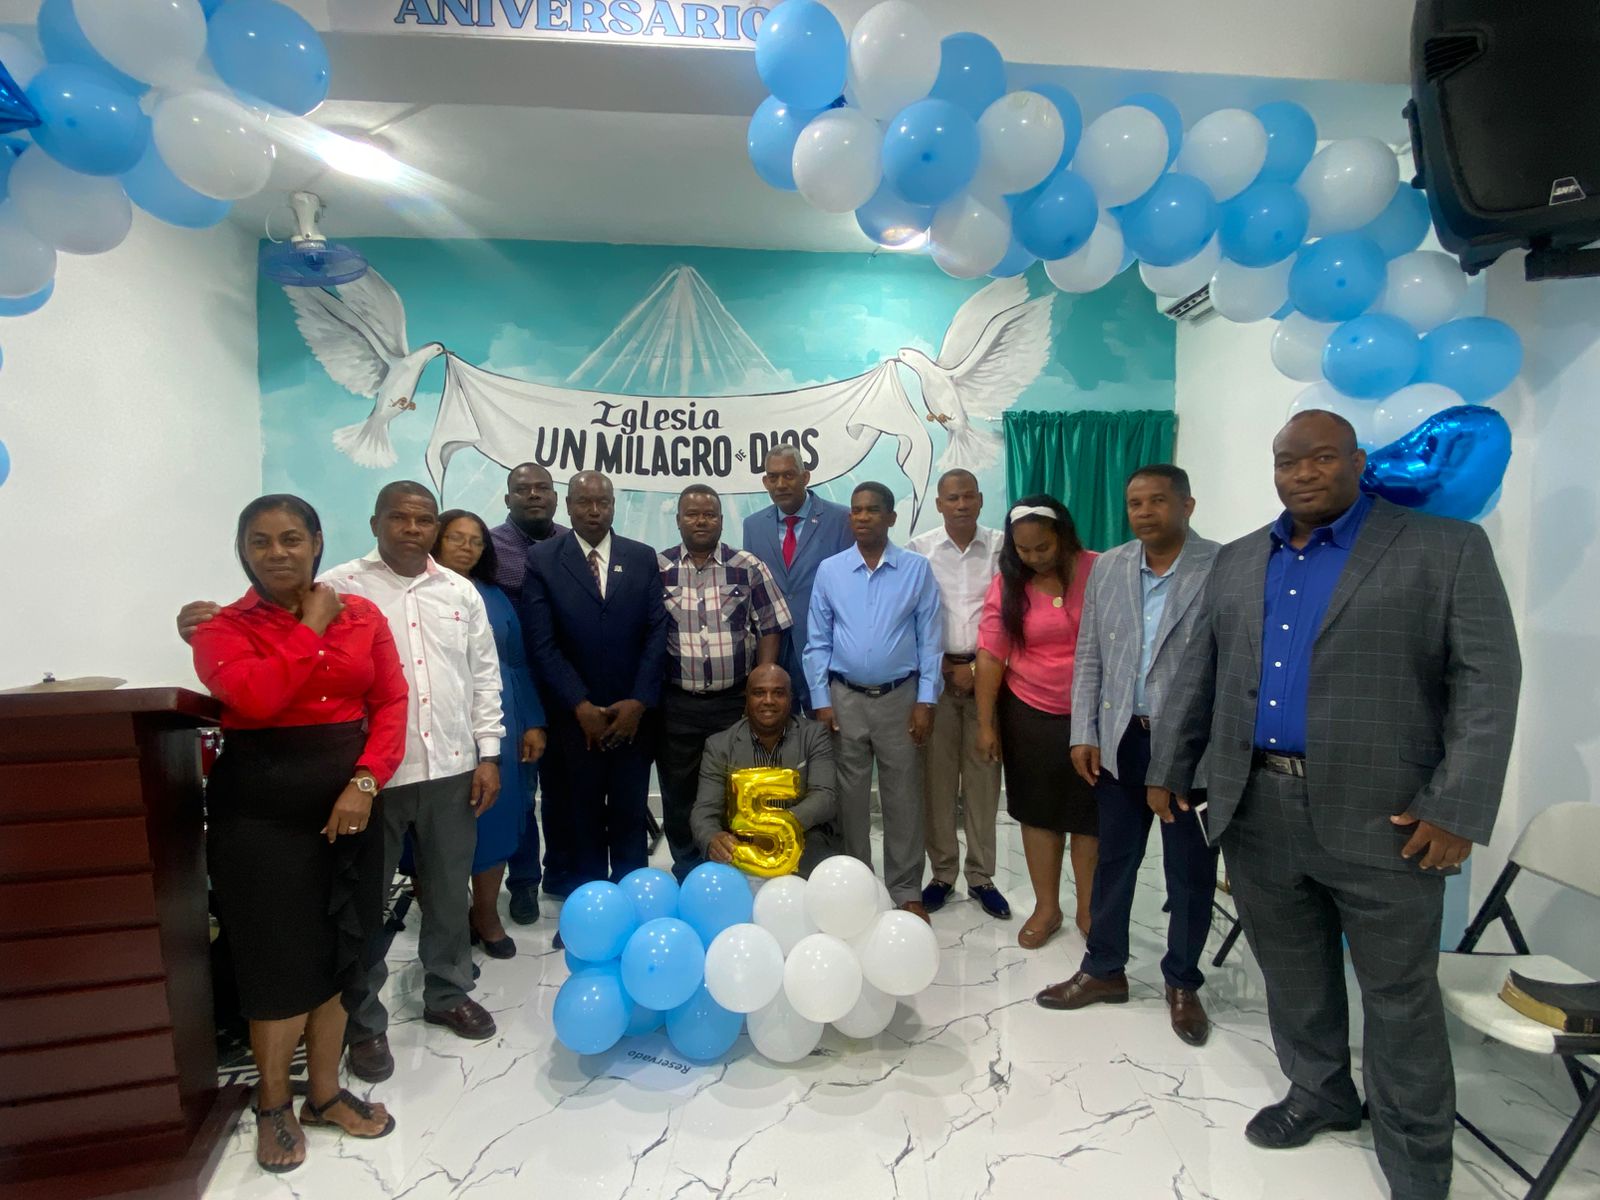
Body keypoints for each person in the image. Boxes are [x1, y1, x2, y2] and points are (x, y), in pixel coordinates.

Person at [1147, 410, 1520, 1200]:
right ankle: (1320, 1091)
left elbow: (1487, 683)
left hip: (1388, 817)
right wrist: (1170, 764)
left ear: (1356, 460)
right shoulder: (1241, 559)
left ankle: (1417, 1155)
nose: (1303, 473)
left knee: (1399, 994)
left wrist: (1456, 807)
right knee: (1293, 973)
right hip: (1257, 805)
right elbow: (1200, 670)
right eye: (1288, 460)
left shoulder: (1444, 548)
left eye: (1321, 457)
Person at [179, 482, 507, 1082]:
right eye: (399, 518)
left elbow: (483, 676)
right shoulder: (339, 589)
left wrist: (489, 753)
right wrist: (201, 621)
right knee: (363, 907)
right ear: (375, 523)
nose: (412, 528)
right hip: (372, 775)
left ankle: (448, 990)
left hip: (450, 764)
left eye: (424, 519)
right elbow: (268, 640)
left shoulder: (460, 591)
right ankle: (364, 1022)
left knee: (446, 889)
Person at [191, 495, 404, 1173]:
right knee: (277, 965)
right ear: (242, 551)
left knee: (344, 953)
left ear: (316, 542)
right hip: (260, 816)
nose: (276, 552)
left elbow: (391, 701)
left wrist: (365, 782)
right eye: (260, 541)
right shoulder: (219, 628)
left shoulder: (364, 616)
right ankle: (273, 1104)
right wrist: (311, 625)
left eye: (290, 538)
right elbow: (255, 697)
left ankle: (324, 1094)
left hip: (351, 806)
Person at [1036, 466, 1221, 1047]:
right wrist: (1083, 731)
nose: (1144, 512)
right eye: (1135, 502)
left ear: (1187, 504)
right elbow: (1089, 653)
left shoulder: (1221, 566)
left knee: (1189, 870)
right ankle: (1104, 968)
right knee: (1114, 858)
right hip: (1121, 740)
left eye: (1157, 501)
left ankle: (1183, 981)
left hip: (1190, 747)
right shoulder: (1110, 567)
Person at [521, 470, 668, 894]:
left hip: (632, 718)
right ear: (567, 506)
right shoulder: (543, 559)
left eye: (603, 502)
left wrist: (638, 702)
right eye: (584, 502)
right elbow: (542, 643)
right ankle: (591, 902)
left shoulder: (641, 556)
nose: (594, 510)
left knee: (629, 811)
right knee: (579, 814)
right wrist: (579, 704)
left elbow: (657, 634)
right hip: (573, 720)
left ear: (613, 506)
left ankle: (632, 896)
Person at [804, 481, 942, 919]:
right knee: (850, 800)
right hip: (844, 698)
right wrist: (821, 700)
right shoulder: (830, 571)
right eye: (856, 510)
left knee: (904, 797)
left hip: (901, 698)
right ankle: (857, 886)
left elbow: (930, 640)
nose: (862, 517)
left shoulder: (916, 570)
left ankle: (906, 889)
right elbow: (817, 641)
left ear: (891, 517)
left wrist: (926, 701)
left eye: (872, 510)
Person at [975, 496, 1099, 949]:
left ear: (1063, 535)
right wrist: (986, 724)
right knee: (1038, 813)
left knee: (1090, 818)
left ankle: (1089, 908)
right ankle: (1047, 908)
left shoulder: (1100, 570)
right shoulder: (1008, 584)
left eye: (1042, 547)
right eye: (1023, 550)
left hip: (1094, 715)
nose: (1034, 557)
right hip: (1030, 713)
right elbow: (991, 655)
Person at [658, 484, 792, 881]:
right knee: (679, 791)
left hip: (732, 702)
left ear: (720, 520)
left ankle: (736, 869)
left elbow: (771, 626)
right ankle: (687, 869)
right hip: (677, 702)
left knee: (737, 788)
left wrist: (759, 688)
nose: (701, 521)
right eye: (692, 514)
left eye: (709, 514)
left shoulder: (747, 566)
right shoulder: (658, 568)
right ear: (678, 519)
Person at [431, 510, 547, 959]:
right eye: (455, 538)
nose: (466, 547)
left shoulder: (495, 597)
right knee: (434, 826)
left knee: (496, 818)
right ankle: (449, 920)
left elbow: (517, 662)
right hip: (437, 724)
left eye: (476, 541)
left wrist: (532, 720)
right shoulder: (418, 591)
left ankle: (486, 913)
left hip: (499, 721)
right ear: (437, 541)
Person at [906, 468, 1008, 921]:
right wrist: (946, 667)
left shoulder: (1003, 547)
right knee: (938, 782)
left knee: (984, 779)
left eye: (969, 496)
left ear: (980, 500)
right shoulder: (919, 550)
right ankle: (943, 874)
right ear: (939, 504)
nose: (961, 504)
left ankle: (982, 876)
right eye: (952, 498)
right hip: (937, 677)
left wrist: (975, 669)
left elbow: (1012, 614)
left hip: (990, 677)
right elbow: (911, 617)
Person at [486, 462, 566, 926]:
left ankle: (562, 872)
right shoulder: (490, 547)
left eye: (542, 488)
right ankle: (523, 884)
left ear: (555, 497)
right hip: (516, 689)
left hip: (569, 688)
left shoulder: (570, 543)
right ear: (508, 498)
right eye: (523, 489)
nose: (533, 495)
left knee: (568, 791)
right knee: (520, 795)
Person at [691, 664, 842, 877]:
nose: (768, 700)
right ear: (747, 699)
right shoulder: (719, 746)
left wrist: (777, 827)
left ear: (790, 698)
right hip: (743, 846)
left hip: (803, 839)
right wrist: (712, 838)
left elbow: (825, 797)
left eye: (778, 693)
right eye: (759, 693)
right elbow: (704, 811)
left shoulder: (814, 735)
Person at [742, 443, 853, 715]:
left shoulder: (841, 519)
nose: (780, 484)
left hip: (827, 650)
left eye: (789, 475)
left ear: (806, 477)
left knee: (827, 732)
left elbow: (851, 587)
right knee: (778, 733)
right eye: (773, 477)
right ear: (765, 482)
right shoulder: (753, 526)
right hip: (773, 650)